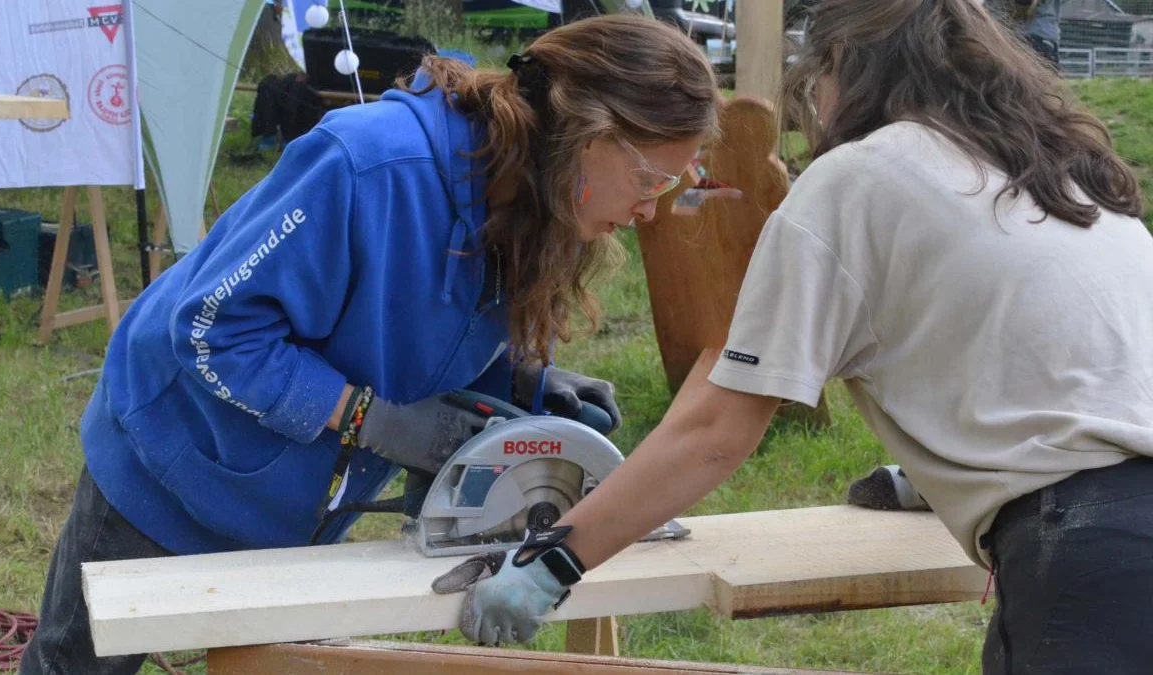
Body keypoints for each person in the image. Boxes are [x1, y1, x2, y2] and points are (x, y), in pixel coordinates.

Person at [447, 0, 1152, 671]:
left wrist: (555, 560)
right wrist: (947, 474)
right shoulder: (1055, 167)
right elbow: (1067, 358)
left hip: (1095, 550)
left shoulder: (858, 177)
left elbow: (717, 429)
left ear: (843, 68)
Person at [18, 15, 722, 675]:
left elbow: (423, 315)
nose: (650, 208)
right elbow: (213, 330)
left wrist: (523, 380)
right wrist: (372, 420)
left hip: (294, 497)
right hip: (171, 462)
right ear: (586, 131)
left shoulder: (530, 192)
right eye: (651, 178)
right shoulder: (367, 166)